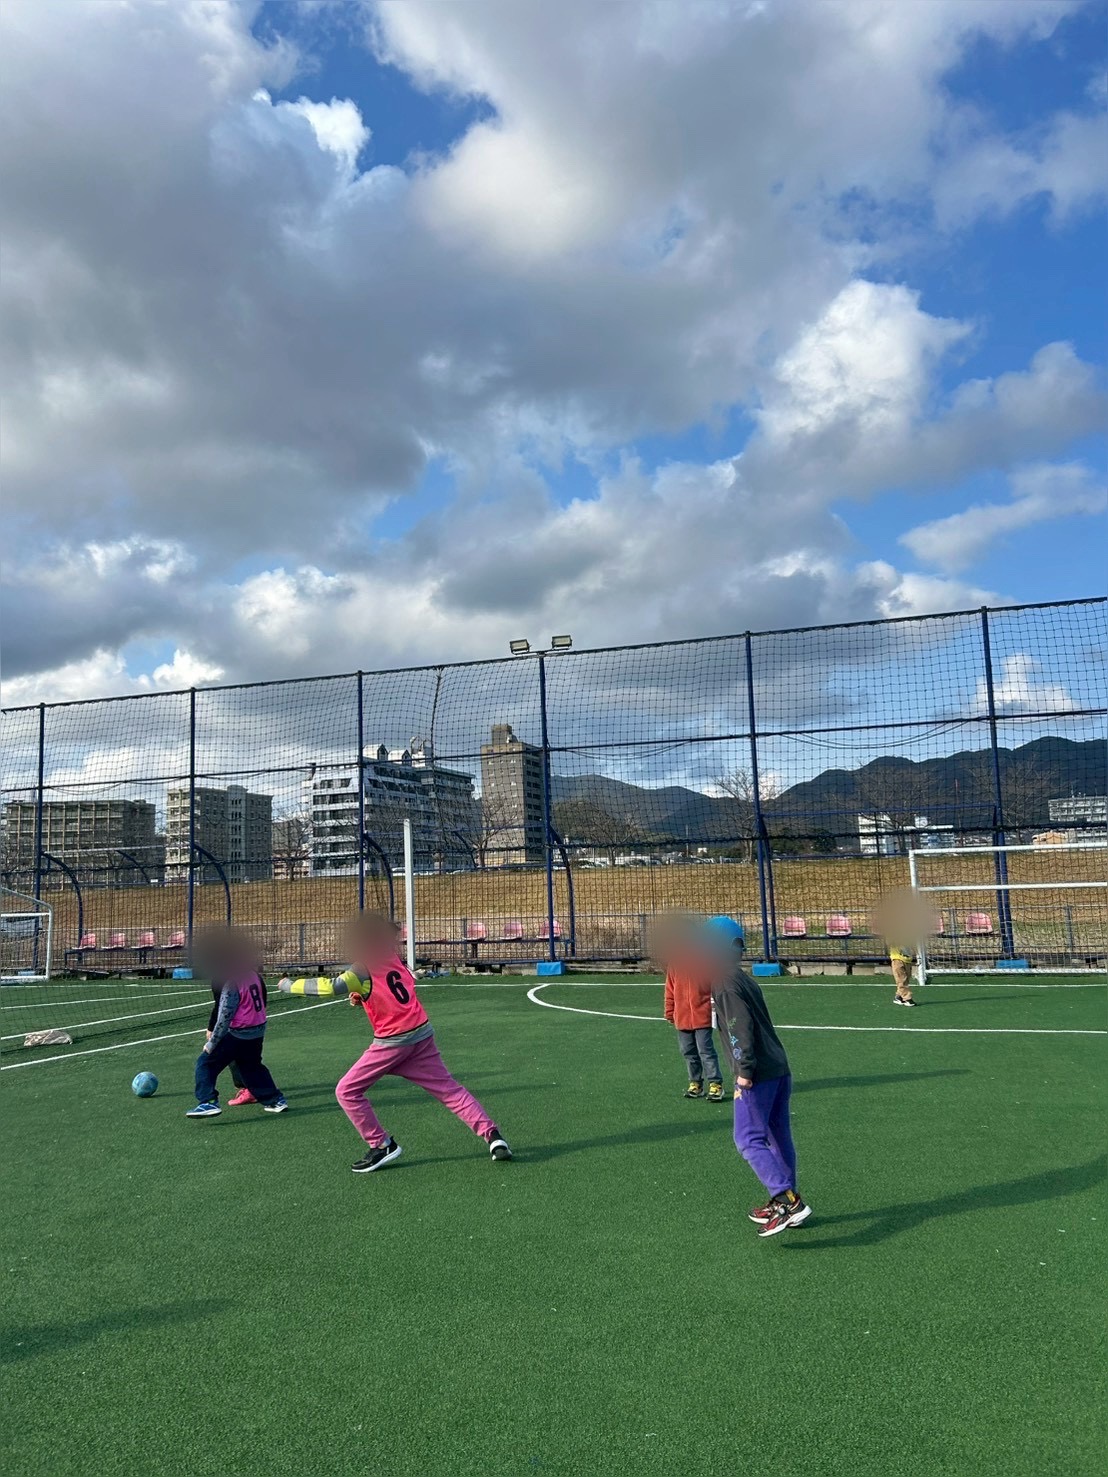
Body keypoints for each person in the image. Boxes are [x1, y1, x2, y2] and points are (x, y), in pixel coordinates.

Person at [282, 913, 511, 1173]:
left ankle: (381, 1145)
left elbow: (331, 986)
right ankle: (494, 1137)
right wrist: (363, 995)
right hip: (421, 1035)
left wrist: (289, 985)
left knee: (346, 1091)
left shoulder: (361, 968)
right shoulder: (392, 957)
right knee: (450, 1090)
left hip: (393, 1043)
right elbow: (398, 987)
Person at [661, 915, 809, 1238]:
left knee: (747, 1139)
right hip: (778, 1067)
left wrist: (744, 1072)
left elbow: (739, 1027)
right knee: (778, 1135)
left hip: (758, 1073)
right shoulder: (741, 978)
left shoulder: (724, 983)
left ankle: (789, 1202)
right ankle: (786, 1197)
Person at [186, 926, 288, 1118]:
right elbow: (263, 1000)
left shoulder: (230, 980)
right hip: (257, 1031)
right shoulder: (253, 975)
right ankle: (275, 1100)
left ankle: (208, 1102)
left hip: (238, 1033)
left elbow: (225, 1014)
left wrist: (212, 1042)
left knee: (205, 1063)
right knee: (251, 1067)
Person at [663, 924, 725, 1101]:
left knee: (706, 1050)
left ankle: (715, 1083)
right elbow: (670, 989)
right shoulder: (675, 963)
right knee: (688, 1051)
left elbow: (716, 987)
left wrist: (716, 1009)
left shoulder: (707, 963)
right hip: (682, 1017)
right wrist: (669, 1011)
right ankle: (695, 1083)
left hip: (702, 1016)